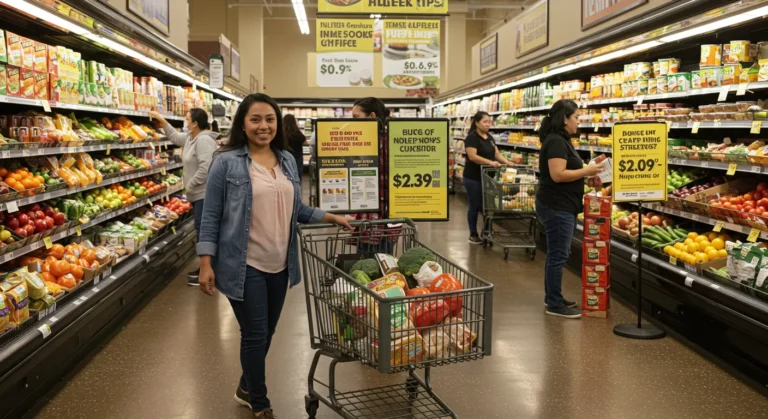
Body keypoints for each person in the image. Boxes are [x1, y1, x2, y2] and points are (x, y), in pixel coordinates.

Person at [196, 93, 351, 418]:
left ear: (277, 123)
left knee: (267, 332)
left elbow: (297, 209)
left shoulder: (287, 160)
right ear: (243, 123)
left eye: (269, 119)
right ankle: (260, 403)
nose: (263, 126)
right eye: (255, 119)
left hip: (281, 263)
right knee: (254, 333)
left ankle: (245, 384)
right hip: (243, 264)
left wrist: (331, 217)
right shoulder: (226, 162)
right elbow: (210, 215)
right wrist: (205, 263)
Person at [536, 99, 601, 319]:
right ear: (565, 118)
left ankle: (552, 297)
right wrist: (586, 171)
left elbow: (568, 172)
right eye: (576, 117)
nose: (578, 122)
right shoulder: (556, 141)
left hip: (561, 205)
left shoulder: (562, 140)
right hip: (556, 206)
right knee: (558, 255)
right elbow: (558, 175)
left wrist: (588, 176)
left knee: (556, 254)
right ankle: (554, 304)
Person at [150, 109, 218, 286]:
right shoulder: (190, 137)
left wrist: (190, 184)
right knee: (201, 230)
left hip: (204, 194)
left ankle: (208, 269)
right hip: (196, 195)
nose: (185, 122)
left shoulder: (203, 140)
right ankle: (207, 267)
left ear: (195, 123)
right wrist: (162, 120)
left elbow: (206, 168)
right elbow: (174, 137)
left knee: (204, 232)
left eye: (187, 119)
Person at [350, 97, 398, 254]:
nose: (353, 122)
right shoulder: (387, 136)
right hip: (373, 211)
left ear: (371, 116)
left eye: (356, 117)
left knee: (372, 260)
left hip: (377, 213)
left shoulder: (384, 140)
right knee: (382, 259)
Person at [463, 111, 513, 244]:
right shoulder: (472, 138)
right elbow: (473, 157)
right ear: (477, 123)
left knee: (488, 206)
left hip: (488, 178)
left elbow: (496, 154)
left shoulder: (490, 137)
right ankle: (473, 234)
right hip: (473, 178)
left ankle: (486, 231)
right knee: (475, 205)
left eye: (489, 122)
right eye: (485, 122)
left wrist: (508, 162)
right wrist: (490, 163)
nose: (487, 124)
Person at [283, 114, 307, 181]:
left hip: (285, 157)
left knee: (285, 176)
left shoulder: (282, 133)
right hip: (297, 157)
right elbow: (305, 142)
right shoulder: (297, 133)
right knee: (297, 176)